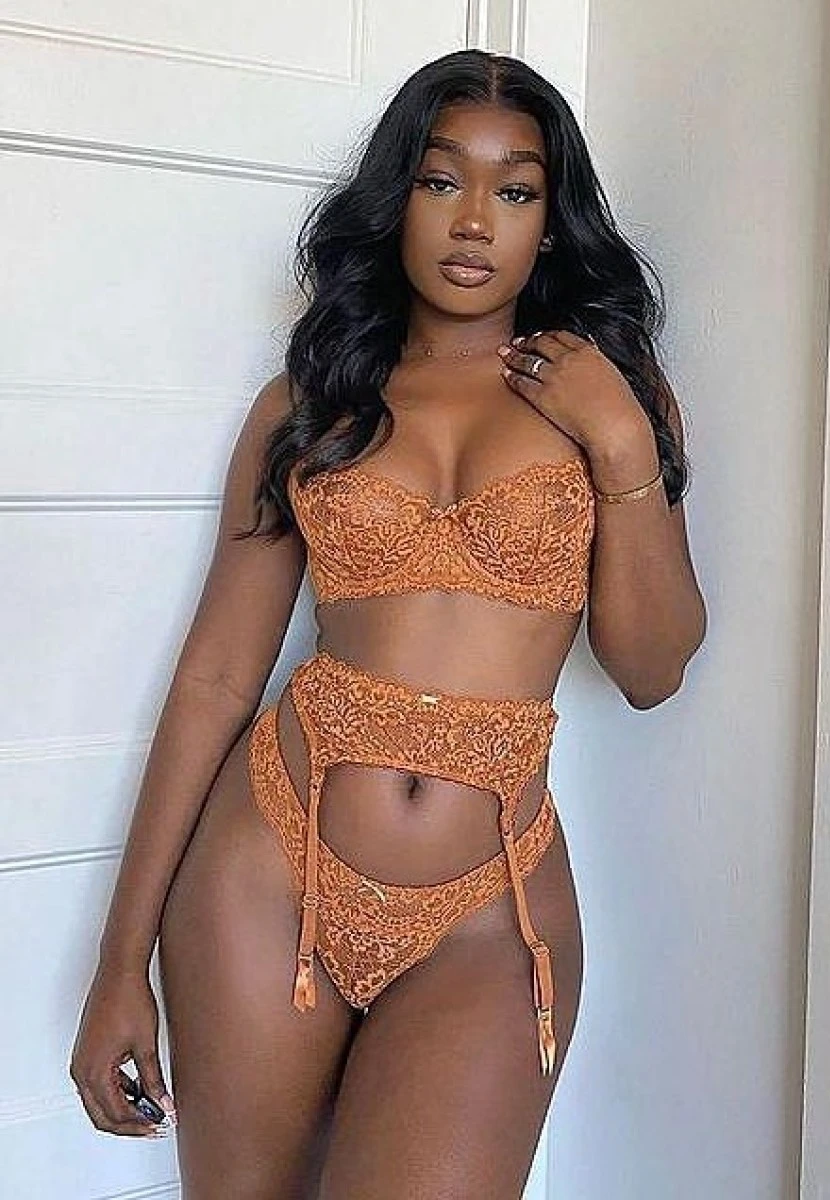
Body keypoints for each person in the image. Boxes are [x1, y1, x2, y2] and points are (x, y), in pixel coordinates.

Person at [69, 47, 706, 1199]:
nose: (475, 220)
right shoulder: (310, 401)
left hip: (490, 905)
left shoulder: (611, 402)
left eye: (516, 189)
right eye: (439, 179)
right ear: (395, 199)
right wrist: (120, 961)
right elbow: (217, 678)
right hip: (269, 867)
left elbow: (651, 667)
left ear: (551, 224)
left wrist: (619, 442)